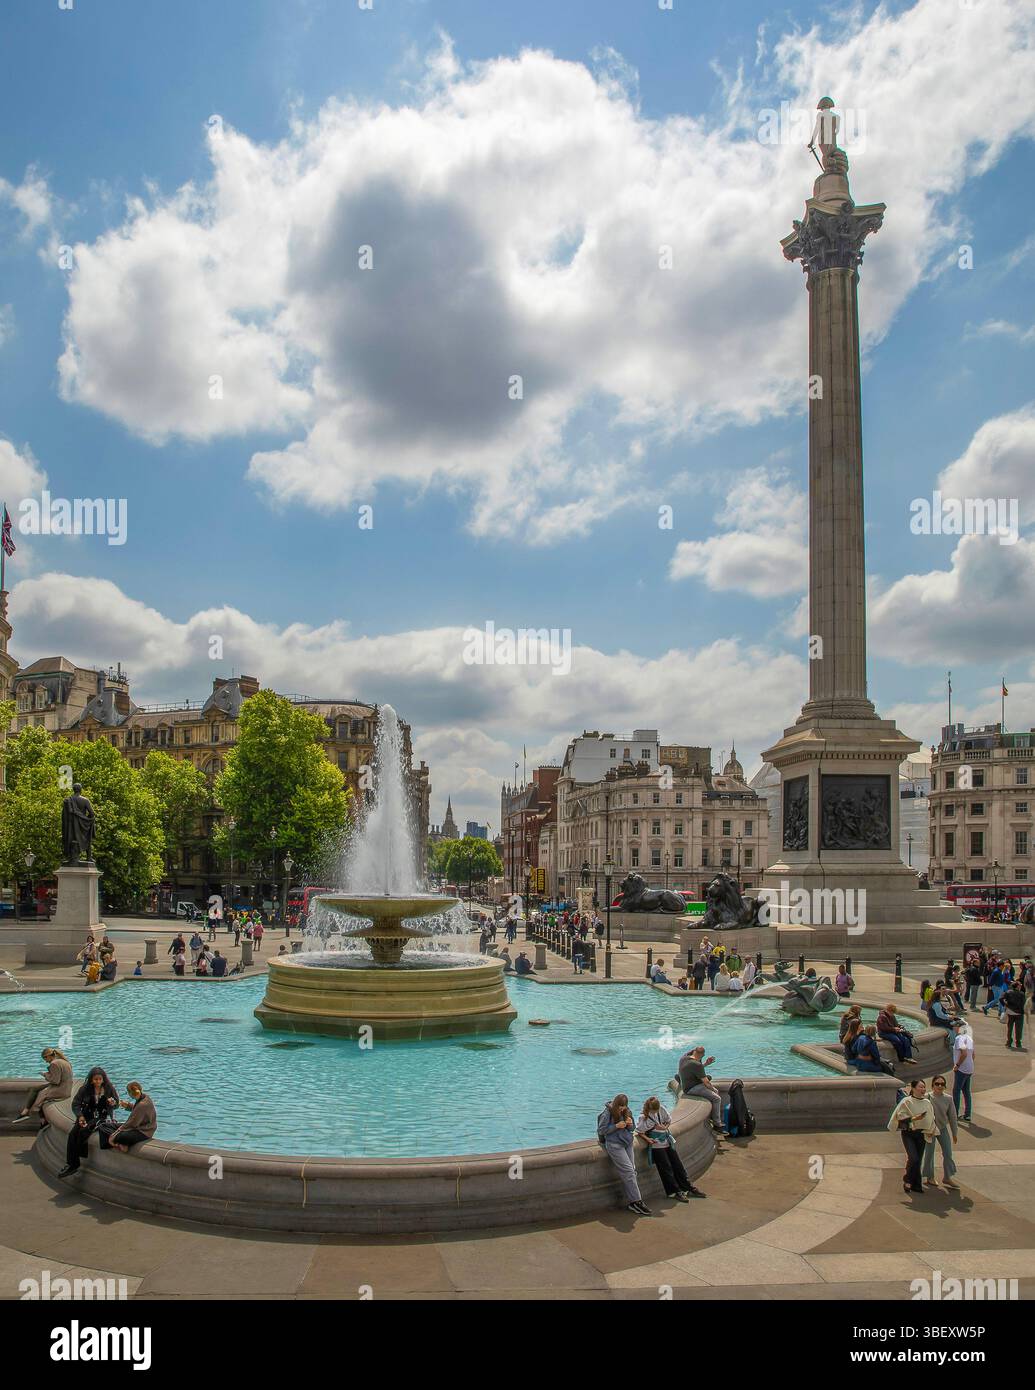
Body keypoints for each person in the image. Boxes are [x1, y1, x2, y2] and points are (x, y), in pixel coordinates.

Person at [636, 1097, 704, 1201]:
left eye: (657, 1109)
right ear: (649, 1108)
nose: (656, 1112)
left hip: (667, 1141)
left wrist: (665, 1127)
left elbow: (668, 1120)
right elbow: (639, 1131)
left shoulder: (661, 1109)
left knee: (677, 1164)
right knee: (665, 1168)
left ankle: (688, 1187)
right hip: (656, 1145)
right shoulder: (643, 1117)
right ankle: (674, 1191)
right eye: (654, 1110)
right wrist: (648, 1139)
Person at [59, 1067, 120, 1177]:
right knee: (73, 1134)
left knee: (84, 1131)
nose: (97, 1082)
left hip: (100, 1117)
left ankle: (75, 1162)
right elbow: (75, 1104)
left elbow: (117, 1105)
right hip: (86, 1115)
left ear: (103, 1079)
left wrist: (112, 1103)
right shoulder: (84, 1089)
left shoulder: (109, 1088)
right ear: (91, 1079)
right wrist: (80, 1116)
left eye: (99, 1079)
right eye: (95, 1079)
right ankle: (71, 1164)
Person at [597, 1094, 651, 1215]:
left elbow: (632, 1129)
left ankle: (634, 1202)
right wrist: (616, 1126)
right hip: (614, 1145)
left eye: (624, 1107)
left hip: (628, 1143)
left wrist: (630, 1124)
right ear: (616, 1104)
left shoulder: (627, 1111)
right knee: (629, 1172)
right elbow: (601, 1130)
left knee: (632, 1171)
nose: (622, 1109)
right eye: (620, 1107)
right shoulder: (607, 1113)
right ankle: (637, 1201)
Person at [888, 1079, 938, 1194]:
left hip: (921, 1133)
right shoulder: (906, 1101)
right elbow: (900, 1117)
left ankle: (915, 1184)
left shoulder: (927, 1103)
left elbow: (931, 1119)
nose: (923, 1089)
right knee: (913, 1157)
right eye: (920, 1087)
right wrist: (915, 1118)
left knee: (918, 1160)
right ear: (914, 1088)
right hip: (909, 1134)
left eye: (924, 1087)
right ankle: (907, 1180)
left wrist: (932, 1130)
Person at [14, 1048, 73, 1124]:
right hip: (65, 1088)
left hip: (60, 1090)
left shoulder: (54, 1063)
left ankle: (27, 1113)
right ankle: (28, 1113)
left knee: (40, 1095)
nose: (46, 1061)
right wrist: (48, 1074)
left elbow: (55, 1081)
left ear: (48, 1056)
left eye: (45, 1058)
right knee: (35, 1089)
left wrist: (45, 1074)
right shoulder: (64, 1061)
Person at [921, 1075, 959, 1189]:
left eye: (942, 1084)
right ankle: (929, 1177)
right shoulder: (927, 1097)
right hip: (930, 1129)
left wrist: (954, 1133)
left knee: (948, 1153)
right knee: (929, 1153)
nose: (940, 1086)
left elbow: (952, 1117)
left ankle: (947, 1177)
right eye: (937, 1084)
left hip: (942, 1129)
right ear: (932, 1085)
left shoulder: (948, 1099)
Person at [677, 1046, 724, 1132]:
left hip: (686, 1084)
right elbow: (706, 1083)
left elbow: (694, 1069)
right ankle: (717, 1124)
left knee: (710, 1081)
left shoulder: (684, 1058)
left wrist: (706, 1063)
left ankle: (713, 1116)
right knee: (717, 1098)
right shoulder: (697, 1065)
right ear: (702, 1055)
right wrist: (714, 1090)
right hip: (692, 1088)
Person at [107, 1081, 157, 1153]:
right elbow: (139, 1112)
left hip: (144, 1131)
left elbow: (132, 1123)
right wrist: (128, 1106)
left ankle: (123, 1145)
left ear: (130, 1093)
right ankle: (122, 1143)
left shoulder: (142, 1104)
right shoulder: (145, 1097)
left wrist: (115, 1134)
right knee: (111, 1127)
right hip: (141, 1127)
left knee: (121, 1136)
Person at [951, 1021, 975, 1121]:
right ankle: (967, 1114)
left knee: (956, 1091)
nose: (953, 1028)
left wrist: (957, 1065)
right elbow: (973, 1055)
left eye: (955, 1026)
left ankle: (954, 1114)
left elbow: (964, 1053)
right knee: (966, 1091)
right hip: (969, 1068)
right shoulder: (969, 1038)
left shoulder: (959, 1038)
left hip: (961, 1069)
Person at [1002, 978, 1026, 1050]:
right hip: (1019, 1013)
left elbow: (1001, 998)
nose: (1021, 986)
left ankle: (1009, 1042)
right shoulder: (1021, 994)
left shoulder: (1008, 992)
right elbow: (1023, 1004)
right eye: (1020, 985)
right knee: (1018, 1029)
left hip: (1010, 1012)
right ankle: (1018, 1043)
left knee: (1010, 1028)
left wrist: (1005, 1005)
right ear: (1017, 986)